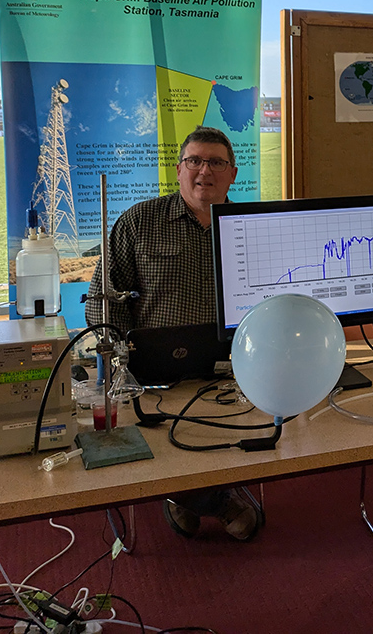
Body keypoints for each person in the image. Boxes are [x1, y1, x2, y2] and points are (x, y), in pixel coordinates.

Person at [86, 125, 263, 542]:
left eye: (216, 162)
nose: (205, 171)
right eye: (195, 161)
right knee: (174, 430)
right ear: (179, 170)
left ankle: (187, 493)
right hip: (153, 373)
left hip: (235, 367)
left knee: (238, 424)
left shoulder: (249, 227)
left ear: (233, 174)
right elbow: (101, 299)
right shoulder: (139, 222)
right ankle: (212, 500)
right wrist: (120, 361)